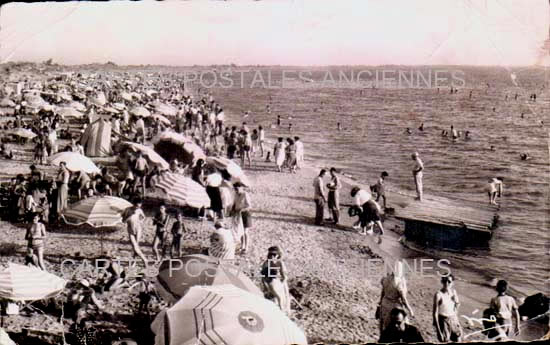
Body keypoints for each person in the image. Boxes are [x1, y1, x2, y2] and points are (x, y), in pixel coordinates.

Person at [378, 261, 415, 333]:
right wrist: (410, 309)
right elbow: (403, 299)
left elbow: (382, 293)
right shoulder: (399, 282)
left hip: (385, 304)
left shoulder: (385, 278)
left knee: (386, 326)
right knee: (403, 325)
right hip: (395, 306)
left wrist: (379, 304)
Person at [261, 246, 291, 314]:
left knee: (283, 300)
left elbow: (285, 276)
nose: (272, 256)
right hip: (269, 282)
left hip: (280, 283)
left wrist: (281, 284)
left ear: (278, 255)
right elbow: (263, 276)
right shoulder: (266, 263)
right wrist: (265, 286)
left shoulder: (280, 263)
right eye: (270, 254)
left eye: (274, 254)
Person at [433, 274, 463, 342]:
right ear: (441, 281)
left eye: (449, 281)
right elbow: (435, 314)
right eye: (444, 281)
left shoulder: (453, 292)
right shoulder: (438, 294)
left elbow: (457, 306)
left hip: (453, 319)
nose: (446, 283)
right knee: (445, 341)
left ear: (452, 283)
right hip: (443, 320)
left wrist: (456, 302)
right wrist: (438, 331)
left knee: (458, 339)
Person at [123, 200, 148, 266]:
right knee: (135, 246)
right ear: (133, 204)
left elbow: (143, 217)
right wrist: (130, 216)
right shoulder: (127, 210)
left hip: (138, 229)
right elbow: (124, 221)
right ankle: (144, 259)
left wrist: (141, 221)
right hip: (130, 230)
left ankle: (134, 261)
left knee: (136, 246)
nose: (138, 208)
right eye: (137, 206)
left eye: (139, 206)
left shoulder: (139, 210)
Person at [233, 182, 252, 254]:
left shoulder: (245, 194)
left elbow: (249, 206)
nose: (236, 190)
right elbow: (235, 204)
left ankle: (246, 247)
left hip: (245, 214)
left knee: (245, 232)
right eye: (235, 189)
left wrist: (242, 210)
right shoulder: (236, 195)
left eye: (237, 189)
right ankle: (242, 246)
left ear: (241, 188)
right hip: (238, 215)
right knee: (240, 231)